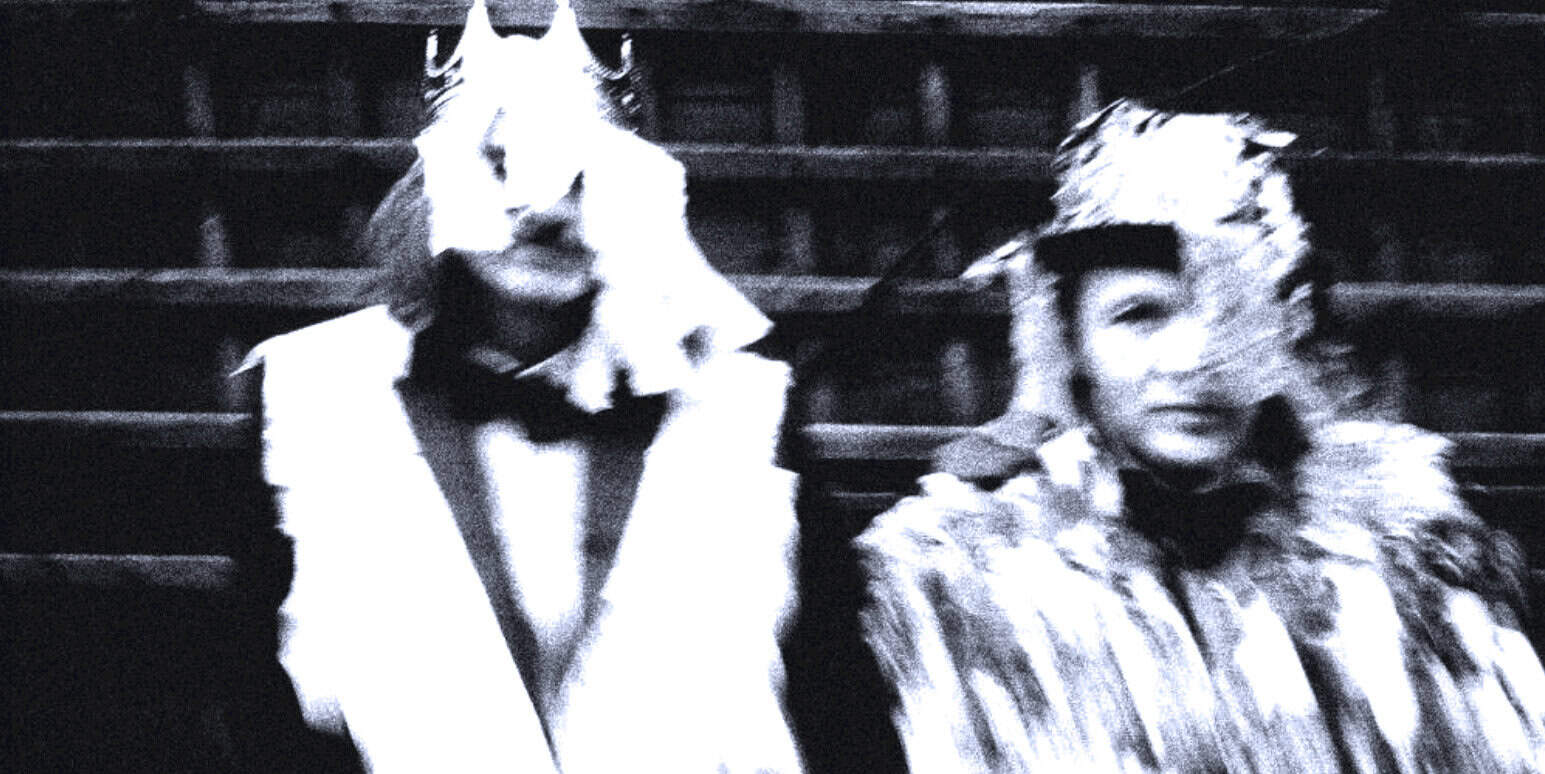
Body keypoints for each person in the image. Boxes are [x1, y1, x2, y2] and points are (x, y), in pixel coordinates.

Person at [856, 100, 1545, 772]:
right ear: (1071, 342)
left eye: (1233, 311)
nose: (1195, 357)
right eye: (1139, 315)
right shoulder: (957, 570)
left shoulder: (1405, 551)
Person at [235, 1, 803, 771]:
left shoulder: (741, 407)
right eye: (500, 165)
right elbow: (264, 710)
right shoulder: (312, 393)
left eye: (581, 175)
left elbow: (819, 686)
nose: (544, 209)